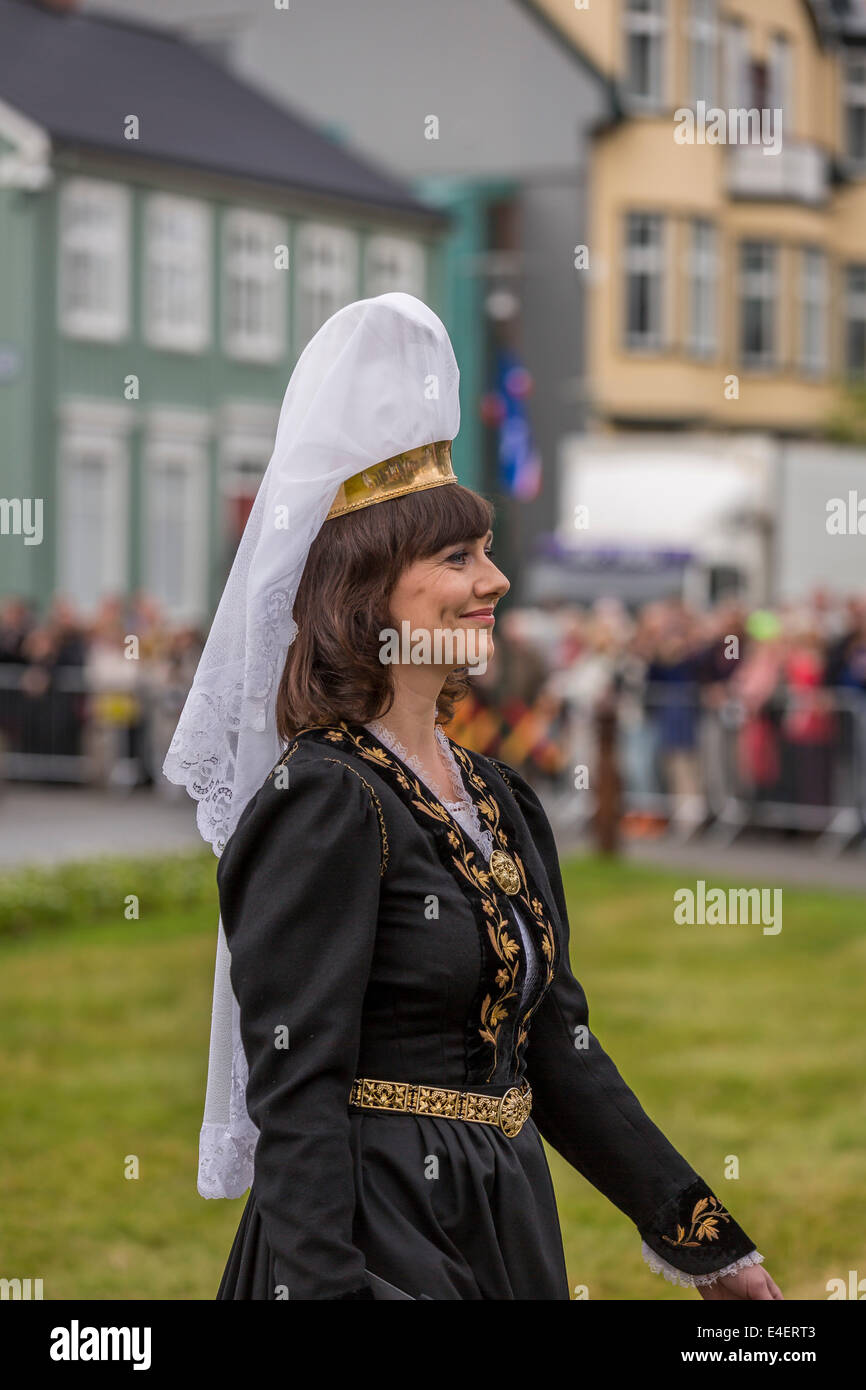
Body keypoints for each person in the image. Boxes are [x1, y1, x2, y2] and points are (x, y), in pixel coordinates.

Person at [164, 293, 781, 1301]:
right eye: (456, 558)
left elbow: (558, 1044)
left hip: (499, 1222)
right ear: (367, 593)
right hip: (373, 1236)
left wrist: (705, 1239)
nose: (493, 580)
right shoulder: (323, 799)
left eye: (485, 552)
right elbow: (296, 1087)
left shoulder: (495, 796)